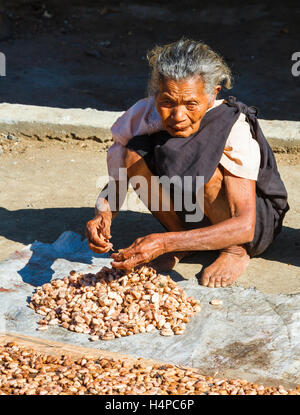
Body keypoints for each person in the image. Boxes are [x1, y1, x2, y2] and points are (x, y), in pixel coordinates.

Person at [85, 39, 289, 288]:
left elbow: (245, 225)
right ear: (155, 93)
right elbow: (116, 184)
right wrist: (102, 214)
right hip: (193, 212)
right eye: (167, 102)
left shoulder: (232, 127)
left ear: (212, 93)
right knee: (133, 154)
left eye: (191, 104)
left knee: (204, 162)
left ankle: (234, 252)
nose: (178, 116)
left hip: (251, 227)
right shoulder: (142, 116)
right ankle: (183, 242)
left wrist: (163, 242)